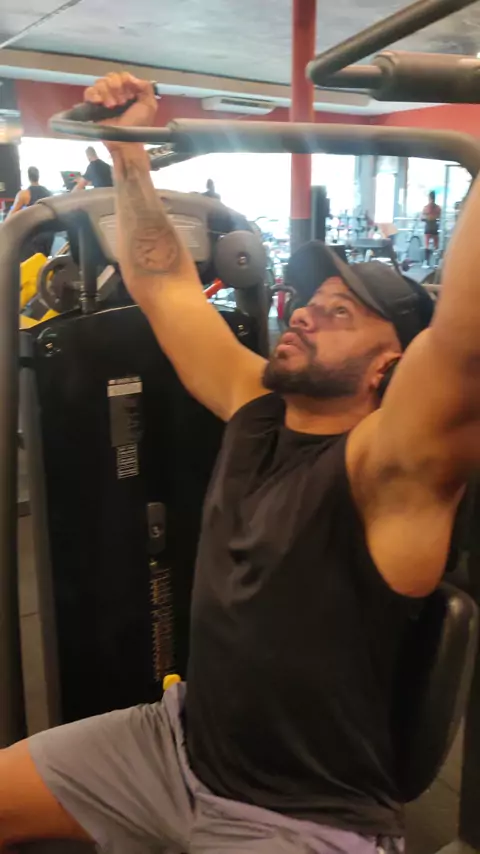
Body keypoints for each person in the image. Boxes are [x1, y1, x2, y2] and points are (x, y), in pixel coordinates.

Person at [1, 73, 479, 854]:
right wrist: (129, 152)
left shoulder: (391, 471)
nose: (305, 313)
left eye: (340, 312)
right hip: (175, 745)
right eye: (310, 299)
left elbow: (465, 342)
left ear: (389, 368)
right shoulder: (255, 405)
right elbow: (165, 286)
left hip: (299, 819)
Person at [7, 166, 53, 260]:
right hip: (49, 235)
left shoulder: (24, 194)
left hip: (34, 236)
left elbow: (11, 216)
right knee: (42, 260)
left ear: (28, 177)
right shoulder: (48, 192)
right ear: (38, 176)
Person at [422, 190, 442, 267]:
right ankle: (435, 262)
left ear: (429, 198)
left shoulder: (426, 208)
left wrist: (428, 217)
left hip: (429, 227)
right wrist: (432, 217)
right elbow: (438, 217)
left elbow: (422, 217)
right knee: (435, 245)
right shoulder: (437, 208)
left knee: (428, 245)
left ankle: (427, 262)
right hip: (433, 227)